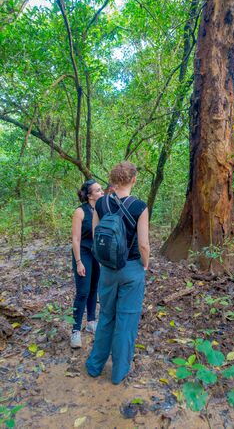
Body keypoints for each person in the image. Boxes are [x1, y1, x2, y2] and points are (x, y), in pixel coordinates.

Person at [86, 161, 150, 384]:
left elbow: (96, 235)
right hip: (131, 268)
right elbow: (143, 245)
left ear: (113, 180)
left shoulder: (101, 203)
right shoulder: (140, 207)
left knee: (106, 316)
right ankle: (119, 371)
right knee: (127, 319)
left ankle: (94, 366)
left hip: (108, 269)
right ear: (133, 179)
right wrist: (145, 264)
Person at [70, 179, 104, 348]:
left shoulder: (100, 209)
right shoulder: (80, 212)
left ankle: (91, 322)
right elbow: (75, 240)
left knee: (93, 289)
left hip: (96, 254)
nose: (102, 192)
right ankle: (75, 330)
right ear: (90, 195)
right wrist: (78, 262)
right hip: (82, 253)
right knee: (82, 291)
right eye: (98, 190)